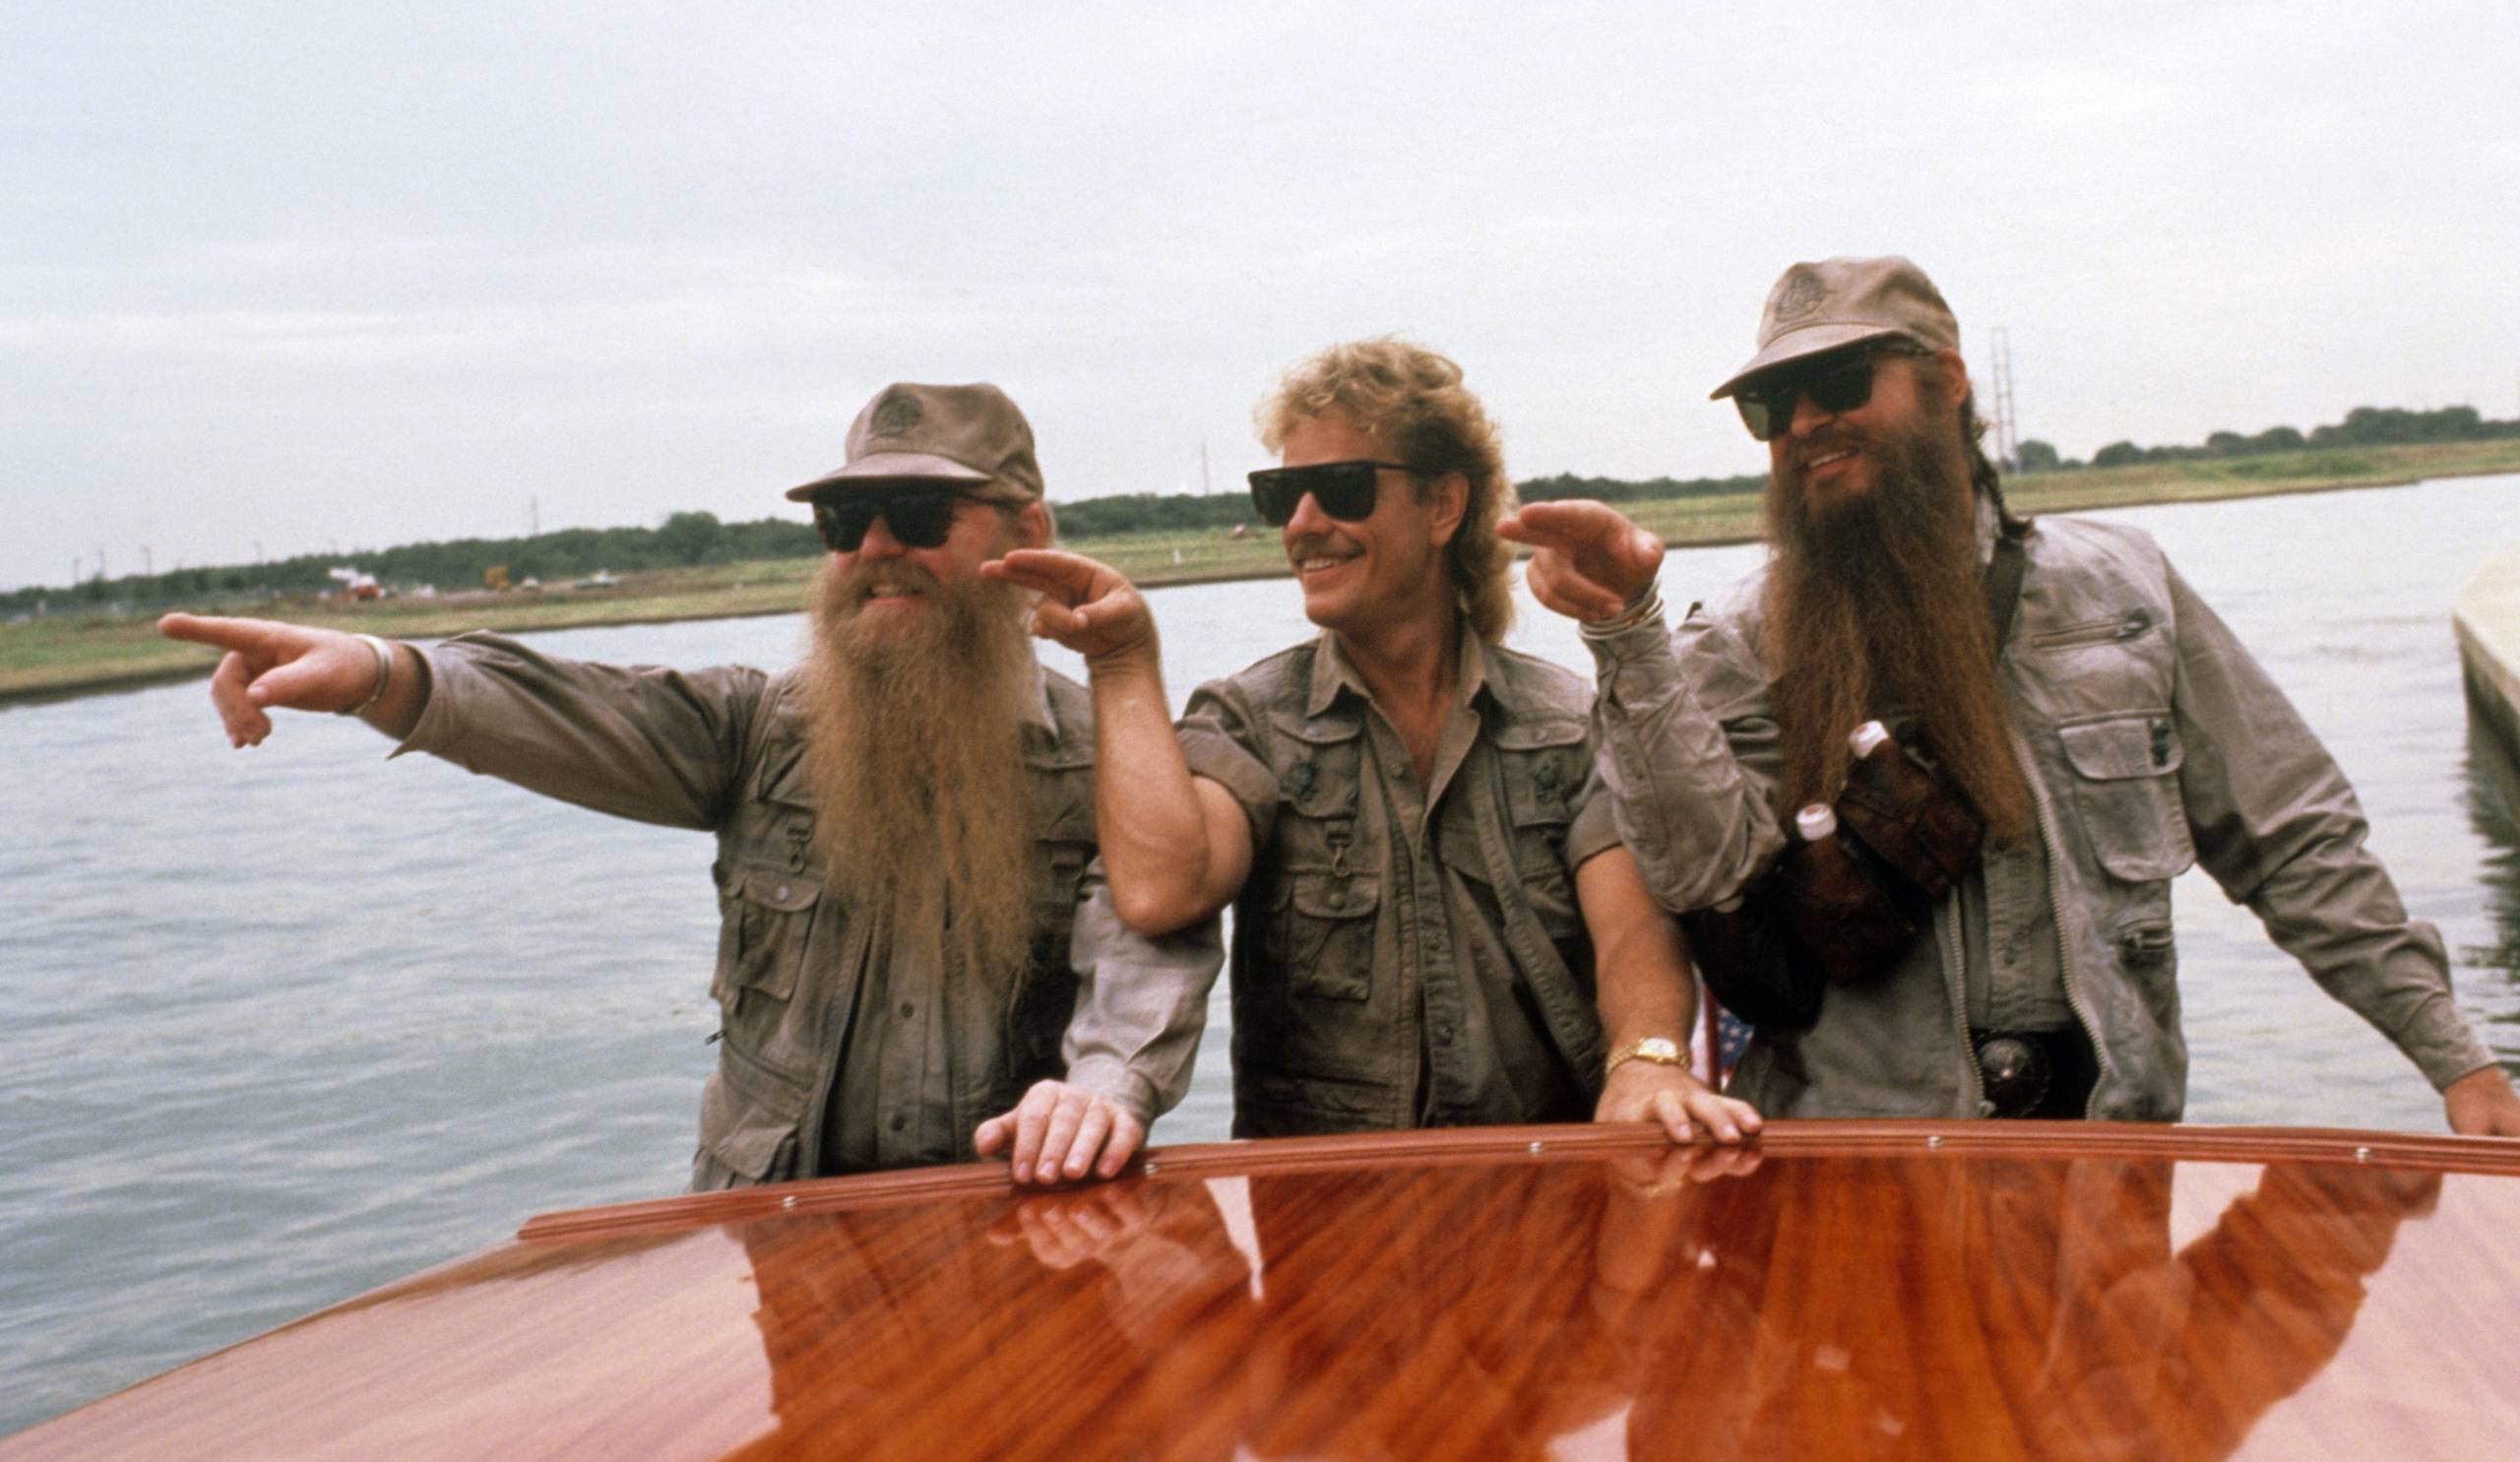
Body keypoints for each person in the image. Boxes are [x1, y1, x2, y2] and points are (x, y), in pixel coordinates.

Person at [1503, 255, 2520, 1131]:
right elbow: (1699, 876)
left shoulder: (2125, 592)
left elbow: (2294, 842)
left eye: (1839, 380)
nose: (1806, 420)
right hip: (1851, 1169)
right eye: (1772, 405)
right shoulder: (1729, 644)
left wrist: (2460, 1064)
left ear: (1946, 382)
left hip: (2108, 1163)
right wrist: (1626, 633)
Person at [159, 382, 1220, 1187]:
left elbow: (1149, 940)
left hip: (1011, 1221)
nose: (875, 547)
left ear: (1027, 534)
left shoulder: (1113, 758)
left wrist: (1101, 1091)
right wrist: (377, 671)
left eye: (916, 512)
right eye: (845, 521)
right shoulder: (752, 730)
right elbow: (565, 705)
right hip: (774, 1237)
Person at [987, 340, 1759, 1144]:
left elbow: (1632, 930)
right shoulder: (1250, 723)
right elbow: (1161, 890)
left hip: (1539, 1181)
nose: (1302, 523)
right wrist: (1122, 662)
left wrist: (1646, 1059)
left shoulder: (1566, 725)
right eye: (1281, 494)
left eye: (1342, 488)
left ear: (1443, 506)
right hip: (1321, 1193)